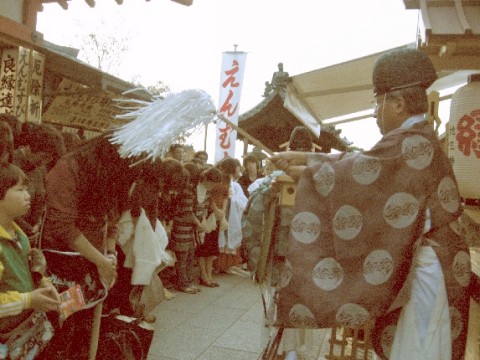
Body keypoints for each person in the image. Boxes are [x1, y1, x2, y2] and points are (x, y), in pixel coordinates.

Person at [271, 48, 471, 360]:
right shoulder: (414, 138)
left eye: (377, 102)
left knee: (422, 350)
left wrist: (306, 170)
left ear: (398, 102)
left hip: (431, 267)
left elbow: (360, 174)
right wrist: (304, 163)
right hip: (431, 262)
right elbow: (361, 166)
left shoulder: (411, 142)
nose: (375, 112)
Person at [0, 163, 60, 359]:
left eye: (27, 189)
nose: (28, 195)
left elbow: (24, 266)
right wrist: (29, 300)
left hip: (21, 329)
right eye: (19, 190)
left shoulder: (19, 235)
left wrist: (41, 281)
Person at [195, 166, 222, 287]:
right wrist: (198, 222)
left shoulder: (208, 190)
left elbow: (207, 204)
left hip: (205, 219)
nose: (211, 186)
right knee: (201, 249)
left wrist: (204, 219)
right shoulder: (194, 187)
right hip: (195, 220)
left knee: (209, 248)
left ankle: (208, 274)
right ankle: (203, 275)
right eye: (211, 183)